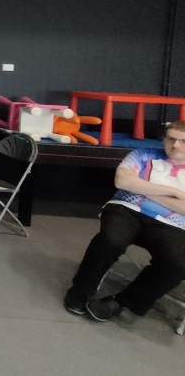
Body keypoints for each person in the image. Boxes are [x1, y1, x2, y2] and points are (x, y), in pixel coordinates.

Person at [63, 120, 185, 322]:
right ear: (164, 139)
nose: (175, 145)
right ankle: (80, 290)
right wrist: (176, 193)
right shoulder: (142, 154)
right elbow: (122, 181)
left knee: (178, 264)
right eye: (171, 139)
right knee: (109, 241)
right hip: (127, 209)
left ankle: (122, 302)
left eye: (182, 141)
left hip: (173, 224)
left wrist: (142, 188)